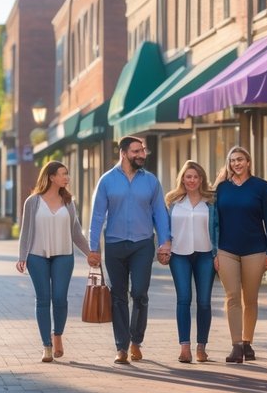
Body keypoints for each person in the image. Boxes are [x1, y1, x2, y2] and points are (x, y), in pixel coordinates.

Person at [88, 135, 172, 364]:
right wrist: (92, 248)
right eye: (136, 151)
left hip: (143, 244)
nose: (141, 155)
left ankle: (136, 341)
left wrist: (165, 242)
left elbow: (160, 214)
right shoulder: (106, 181)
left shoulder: (151, 181)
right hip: (114, 245)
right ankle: (121, 347)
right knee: (118, 296)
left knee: (140, 293)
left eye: (142, 150)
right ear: (123, 153)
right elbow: (97, 216)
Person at [16, 160, 91, 363]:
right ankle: (46, 346)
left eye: (67, 174)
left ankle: (57, 334)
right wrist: (22, 256)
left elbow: (76, 231)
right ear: (51, 177)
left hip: (64, 255)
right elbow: (26, 231)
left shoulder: (69, 202)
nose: (67, 177)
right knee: (43, 299)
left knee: (59, 298)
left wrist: (89, 253)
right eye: (63, 174)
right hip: (36, 256)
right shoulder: (33, 202)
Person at [213, 145, 267, 364]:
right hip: (226, 249)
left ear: (248, 162)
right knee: (232, 297)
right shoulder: (221, 188)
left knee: (250, 299)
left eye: (240, 159)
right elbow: (213, 222)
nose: (236, 164)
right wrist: (213, 251)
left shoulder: (261, 187)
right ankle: (236, 346)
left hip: (255, 250)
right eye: (232, 160)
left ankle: (247, 342)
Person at [164, 160, 219, 363]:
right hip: (179, 255)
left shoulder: (211, 201)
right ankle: (184, 347)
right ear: (183, 179)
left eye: (196, 177)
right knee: (184, 299)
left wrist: (219, 253)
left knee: (204, 301)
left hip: (206, 254)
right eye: (188, 176)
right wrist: (163, 246)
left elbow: (218, 228)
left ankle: (201, 346)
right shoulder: (172, 201)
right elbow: (164, 227)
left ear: (201, 179)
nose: (192, 180)